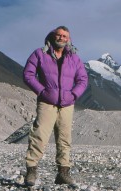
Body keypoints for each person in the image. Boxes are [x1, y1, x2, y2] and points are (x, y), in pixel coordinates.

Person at [23, 26, 88, 186]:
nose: (61, 38)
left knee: (65, 139)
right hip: (47, 102)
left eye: (65, 36)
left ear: (69, 39)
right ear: (53, 37)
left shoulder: (74, 58)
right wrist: (42, 91)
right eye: (58, 35)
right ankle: (31, 171)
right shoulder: (39, 54)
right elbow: (28, 74)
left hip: (67, 105)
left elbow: (83, 79)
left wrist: (73, 95)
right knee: (39, 136)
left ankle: (63, 173)